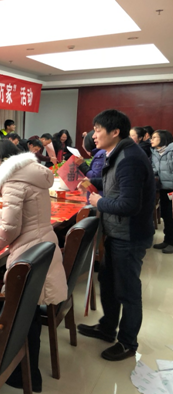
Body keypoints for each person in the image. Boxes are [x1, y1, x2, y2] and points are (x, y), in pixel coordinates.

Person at [0, 139, 67, 392]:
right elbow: (17, 211)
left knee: (24, 314)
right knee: (28, 312)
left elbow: (10, 228)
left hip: (28, 250)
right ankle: (30, 372)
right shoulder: (30, 174)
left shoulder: (13, 181)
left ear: (3, 159)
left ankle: (23, 373)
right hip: (41, 244)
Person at [77, 109, 155, 362]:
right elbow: (114, 184)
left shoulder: (129, 158)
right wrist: (92, 183)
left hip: (129, 236)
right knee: (109, 283)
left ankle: (128, 343)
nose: (93, 135)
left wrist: (98, 202)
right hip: (116, 232)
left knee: (127, 291)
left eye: (97, 130)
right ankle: (107, 328)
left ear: (115, 132)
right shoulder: (119, 153)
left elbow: (129, 205)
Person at [150, 129, 173, 253]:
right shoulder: (155, 153)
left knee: (171, 216)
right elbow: (154, 169)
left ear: (163, 139)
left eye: (155, 137)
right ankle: (167, 240)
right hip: (164, 189)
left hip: (172, 189)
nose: (151, 140)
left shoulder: (171, 151)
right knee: (166, 216)